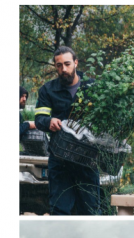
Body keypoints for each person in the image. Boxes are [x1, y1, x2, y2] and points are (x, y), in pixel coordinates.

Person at [34, 46, 100, 215]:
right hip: (60, 160)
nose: (63, 69)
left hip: (87, 159)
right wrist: (49, 121)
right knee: (59, 210)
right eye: (59, 65)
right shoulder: (48, 90)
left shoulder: (93, 87)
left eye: (67, 64)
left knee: (91, 210)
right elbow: (39, 119)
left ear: (76, 63)